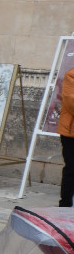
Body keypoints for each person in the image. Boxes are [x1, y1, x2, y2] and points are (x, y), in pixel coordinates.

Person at [57, 66, 74, 206]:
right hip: (71, 133)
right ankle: (65, 203)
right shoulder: (71, 75)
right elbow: (71, 102)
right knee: (71, 168)